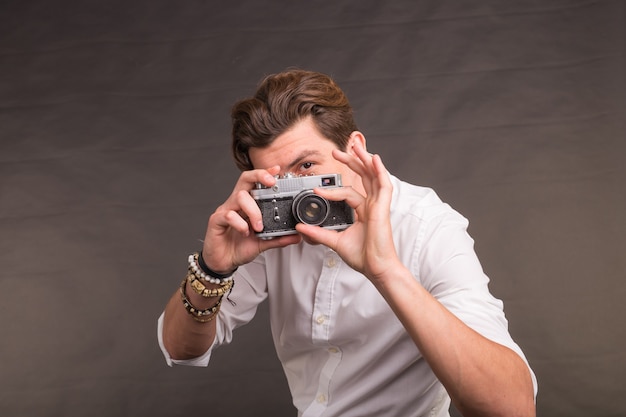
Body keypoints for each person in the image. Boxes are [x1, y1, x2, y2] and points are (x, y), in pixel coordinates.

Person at [158, 69, 537, 417]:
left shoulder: (427, 225)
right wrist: (211, 270)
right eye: (276, 182)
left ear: (354, 148)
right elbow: (180, 348)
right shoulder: (272, 220)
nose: (297, 192)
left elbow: (512, 408)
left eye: (307, 167)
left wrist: (386, 271)